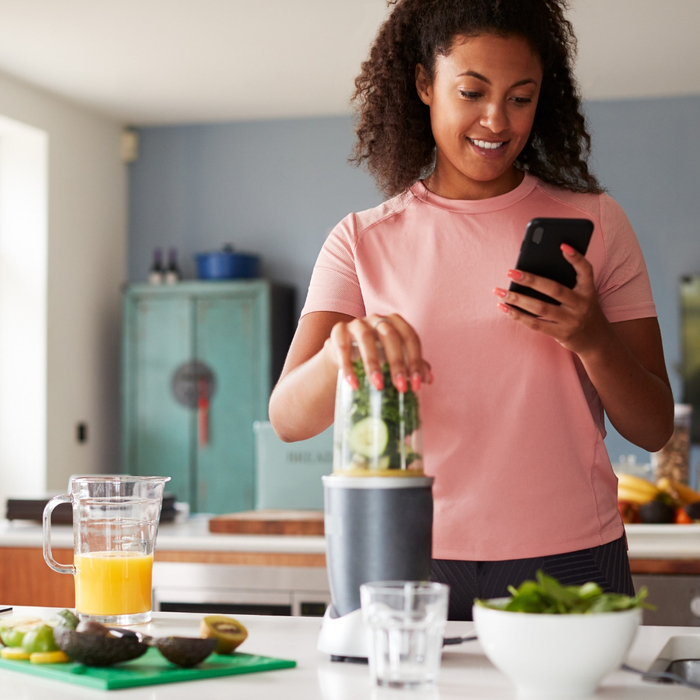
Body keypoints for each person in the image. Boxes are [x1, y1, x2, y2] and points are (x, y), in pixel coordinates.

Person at [269, 0, 674, 620]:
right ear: (425, 85)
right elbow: (289, 418)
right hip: (403, 554)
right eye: (472, 91)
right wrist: (340, 354)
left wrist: (591, 338)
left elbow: (653, 426)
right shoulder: (361, 240)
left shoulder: (596, 223)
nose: (496, 119)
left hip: (571, 555)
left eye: (520, 96)